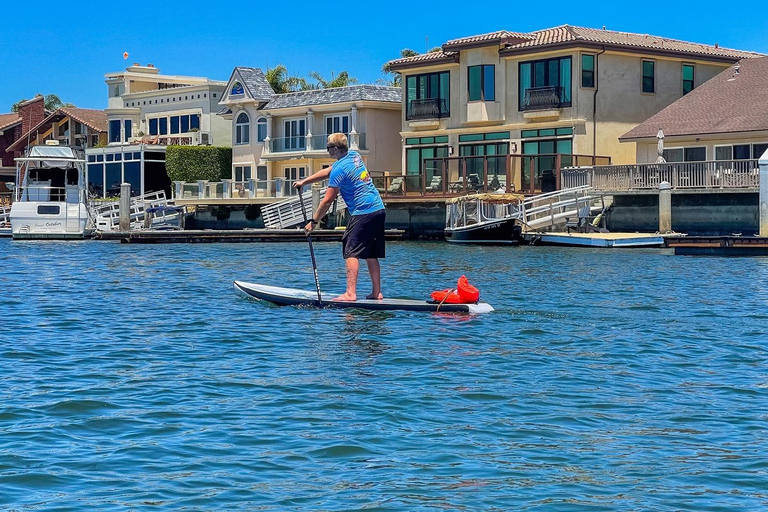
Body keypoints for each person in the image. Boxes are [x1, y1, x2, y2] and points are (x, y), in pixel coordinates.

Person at [294, 133, 386, 301]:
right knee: (371, 252)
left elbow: (327, 200)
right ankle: (376, 292)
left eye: (328, 148)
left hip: (363, 211)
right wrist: (304, 182)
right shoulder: (354, 156)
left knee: (351, 251)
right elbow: (328, 171)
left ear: (335, 149)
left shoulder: (340, 169)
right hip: (378, 209)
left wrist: (313, 222)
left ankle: (350, 293)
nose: (327, 151)